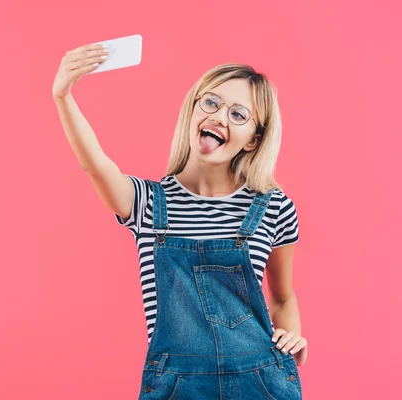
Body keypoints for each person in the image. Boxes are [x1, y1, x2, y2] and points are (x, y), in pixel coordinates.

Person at [53, 42, 308, 399]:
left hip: (262, 382)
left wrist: (291, 334)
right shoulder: (145, 203)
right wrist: (63, 94)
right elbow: (94, 165)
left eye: (238, 115)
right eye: (211, 102)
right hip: (177, 386)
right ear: (193, 109)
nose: (219, 116)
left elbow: (283, 298)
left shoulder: (273, 206)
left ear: (253, 140)